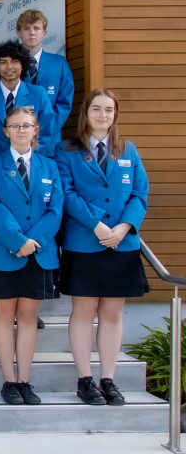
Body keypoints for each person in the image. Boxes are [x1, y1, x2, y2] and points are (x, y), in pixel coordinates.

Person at [56, 89, 149, 406]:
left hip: (122, 244)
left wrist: (124, 227)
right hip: (85, 242)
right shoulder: (68, 150)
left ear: (115, 114)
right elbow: (67, 193)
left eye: (109, 109)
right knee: (83, 312)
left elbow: (139, 194)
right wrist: (96, 224)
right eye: (97, 108)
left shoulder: (128, 150)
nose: (103, 115)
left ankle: (108, 379)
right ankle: (85, 380)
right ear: (86, 112)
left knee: (112, 313)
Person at [0, 106, 63, 406]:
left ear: (35, 129)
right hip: (4, 253)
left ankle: (25, 381)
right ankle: (9, 381)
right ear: (6, 131)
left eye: (26, 125)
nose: (21, 130)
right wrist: (18, 240)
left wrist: (33, 241)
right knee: (4, 316)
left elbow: (56, 209)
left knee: (28, 318)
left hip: (38, 254)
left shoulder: (49, 167)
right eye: (14, 126)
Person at [0, 39, 56, 165]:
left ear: (23, 65)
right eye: (3, 62)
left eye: (15, 61)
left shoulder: (38, 94)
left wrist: (26, 158)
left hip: (30, 164)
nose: (9, 67)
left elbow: (46, 132)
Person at [15, 9, 75, 134]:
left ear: (44, 33)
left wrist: (47, 130)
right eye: (26, 28)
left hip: (50, 138)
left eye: (36, 28)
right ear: (18, 33)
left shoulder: (59, 64)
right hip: (17, 135)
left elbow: (64, 103)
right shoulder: (10, 66)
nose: (32, 32)